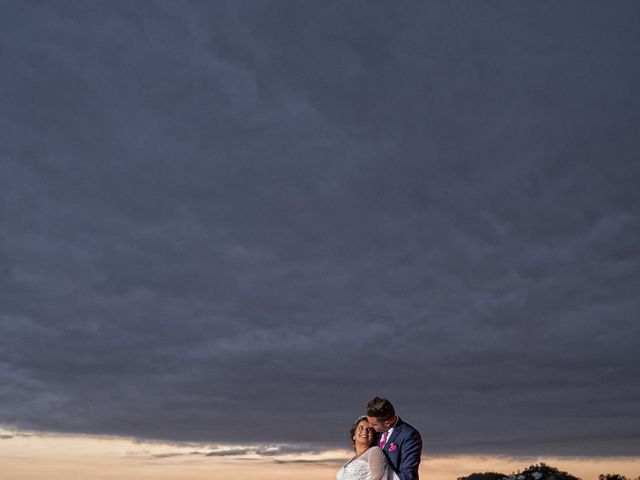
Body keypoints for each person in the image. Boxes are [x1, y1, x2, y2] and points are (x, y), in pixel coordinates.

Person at [366, 397, 422, 480]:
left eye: (374, 424)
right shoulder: (373, 433)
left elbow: (408, 476)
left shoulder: (410, 435)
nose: (369, 426)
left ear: (387, 423)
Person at [336, 415, 399, 480]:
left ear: (372, 437)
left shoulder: (374, 451)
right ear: (354, 435)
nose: (365, 431)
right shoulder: (350, 460)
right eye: (361, 428)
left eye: (369, 429)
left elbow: (379, 478)